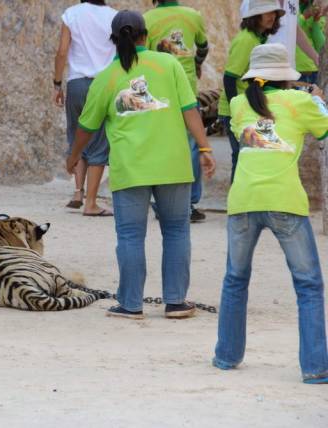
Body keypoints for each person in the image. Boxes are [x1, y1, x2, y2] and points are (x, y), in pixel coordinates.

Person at [66, 11, 216, 320]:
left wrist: (73, 156)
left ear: (113, 40)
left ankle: (131, 304)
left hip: (131, 169)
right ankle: (175, 302)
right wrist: (204, 147)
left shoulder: (106, 77)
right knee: (176, 231)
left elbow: (86, 127)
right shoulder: (170, 64)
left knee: (131, 236)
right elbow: (190, 111)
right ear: (145, 36)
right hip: (173, 165)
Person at [213, 43, 328, 384]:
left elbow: (245, 131)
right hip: (285, 201)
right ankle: (315, 367)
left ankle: (226, 356)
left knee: (235, 279)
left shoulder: (237, 104)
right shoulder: (301, 102)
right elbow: (324, 129)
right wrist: (317, 96)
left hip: (244, 199)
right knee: (308, 285)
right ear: (287, 76)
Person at [144, 0, 209, 222]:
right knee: (191, 145)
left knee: (159, 144)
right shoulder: (193, 15)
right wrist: (197, 63)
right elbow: (203, 47)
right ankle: (189, 204)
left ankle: (159, 201)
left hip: (157, 92)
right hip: (187, 89)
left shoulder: (147, 19)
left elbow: (142, 55)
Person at [54, 0, 117, 216]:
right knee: (99, 140)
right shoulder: (113, 16)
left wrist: (57, 84)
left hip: (77, 83)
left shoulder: (71, 14)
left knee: (77, 134)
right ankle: (91, 203)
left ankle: (78, 192)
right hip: (104, 84)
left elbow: (62, 52)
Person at [219, 0, 284, 182]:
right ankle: (238, 204)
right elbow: (230, 77)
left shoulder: (257, 38)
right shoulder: (247, 39)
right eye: (267, 12)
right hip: (238, 108)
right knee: (242, 157)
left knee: (245, 156)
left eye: (274, 13)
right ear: (255, 16)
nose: (272, 16)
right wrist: (234, 111)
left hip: (247, 106)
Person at [296, 0, 327, 84]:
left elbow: (320, 45)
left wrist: (315, 21)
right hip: (296, 70)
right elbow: (291, 32)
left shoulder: (318, 7)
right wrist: (304, 16)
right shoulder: (290, 6)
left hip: (314, 69)